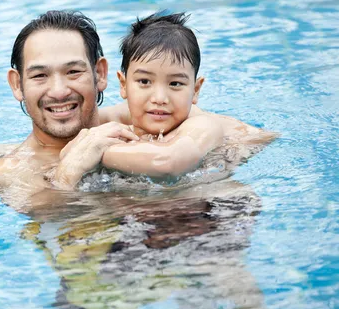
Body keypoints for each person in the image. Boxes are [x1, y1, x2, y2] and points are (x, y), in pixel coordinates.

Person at [59, 12, 277, 186]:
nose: (159, 98)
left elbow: (167, 162)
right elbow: (84, 122)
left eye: (175, 84)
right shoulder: (124, 116)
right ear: (124, 85)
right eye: (144, 82)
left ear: (196, 90)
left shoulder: (204, 125)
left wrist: (94, 151)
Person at [0, 10, 138, 205]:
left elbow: (186, 110)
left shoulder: (132, 119)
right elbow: (45, 214)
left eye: (73, 72)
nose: (58, 92)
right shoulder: (11, 170)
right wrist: (70, 170)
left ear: (100, 73)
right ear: (17, 84)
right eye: (40, 75)